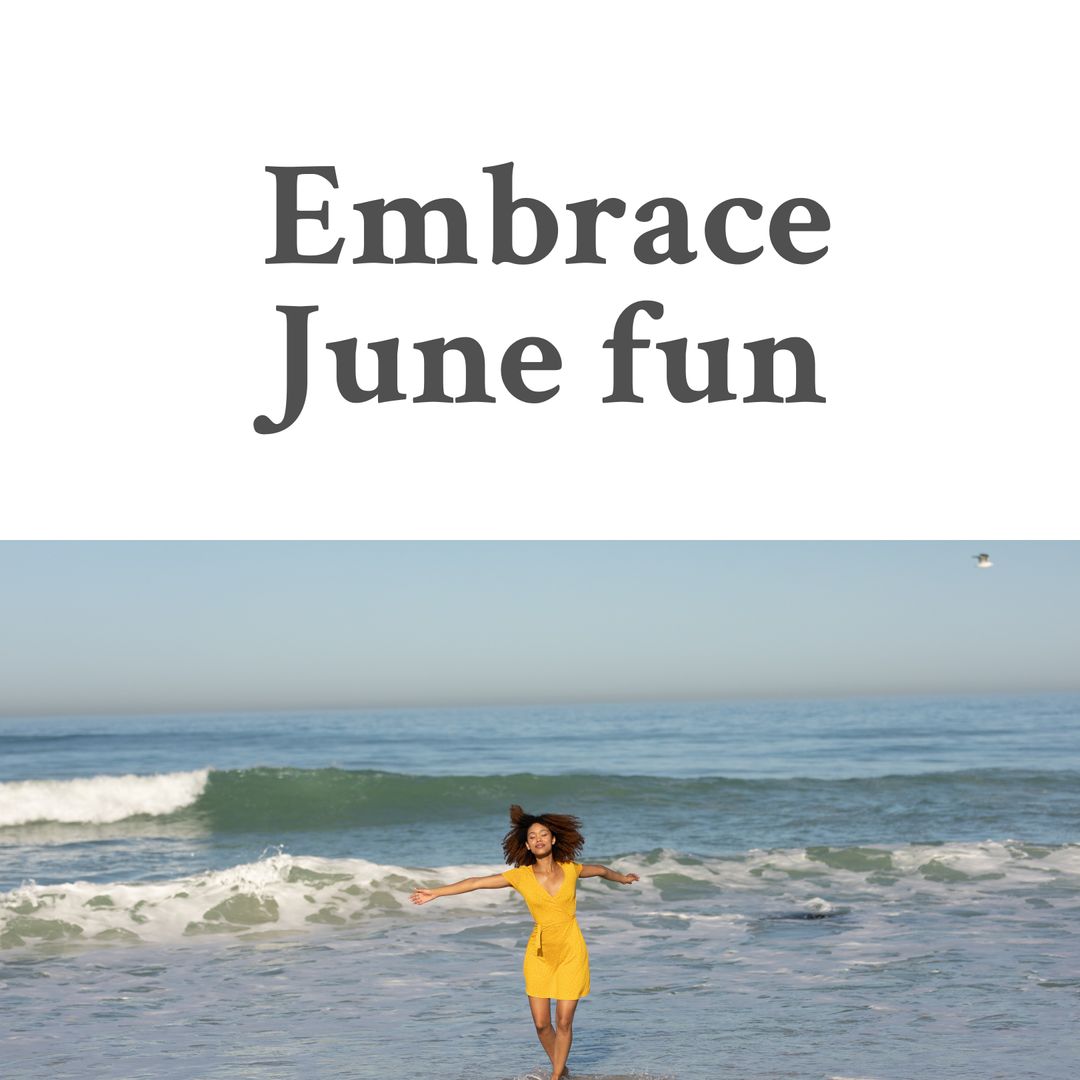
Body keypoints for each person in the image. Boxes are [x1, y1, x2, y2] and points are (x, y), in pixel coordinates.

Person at [410, 804, 639, 1080]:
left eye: (543, 834)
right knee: (543, 1025)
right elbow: (474, 883)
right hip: (539, 953)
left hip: (571, 950)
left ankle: (556, 1077)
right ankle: (562, 1069)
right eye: (532, 836)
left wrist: (623, 879)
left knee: (564, 1021)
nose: (538, 839)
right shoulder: (520, 876)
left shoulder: (571, 869)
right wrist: (435, 893)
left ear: (553, 839)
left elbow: (602, 870)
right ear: (527, 845)